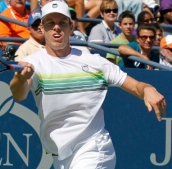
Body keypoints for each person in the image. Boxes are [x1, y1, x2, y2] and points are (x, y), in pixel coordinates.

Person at [9, 1, 166, 168]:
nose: (56, 27)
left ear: (71, 27)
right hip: (59, 155)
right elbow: (18, 95)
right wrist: (20, 78)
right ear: (42, 28)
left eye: (62, 22)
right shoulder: (32, 63)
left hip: (94, 149)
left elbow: (135, 86)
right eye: (50, 23)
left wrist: (147, 89)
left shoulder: (95, 62)